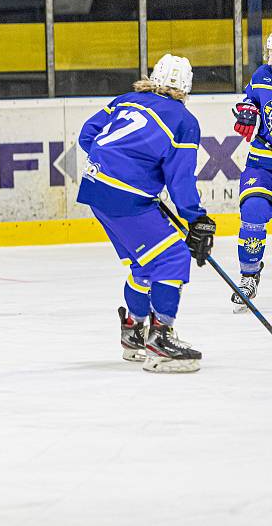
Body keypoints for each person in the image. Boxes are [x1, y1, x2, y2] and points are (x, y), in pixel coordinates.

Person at [76, 54, 216, 373]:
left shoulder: (126, 100)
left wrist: (119, 161)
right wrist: (196, 219)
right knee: (172, 258)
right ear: (186, 88)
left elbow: (87, 136)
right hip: (125, 194)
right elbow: (179, 180)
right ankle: (161, 339)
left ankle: (134, 332)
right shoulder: (183, 120)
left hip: (96, 187)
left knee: (144, 265)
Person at [229, 33, 272, 312]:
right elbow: (249, 100)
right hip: (263, 160)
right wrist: (247, 109)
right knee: (254, 210)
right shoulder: (261, 75)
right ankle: (248, 276)